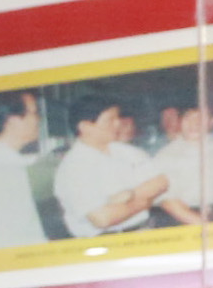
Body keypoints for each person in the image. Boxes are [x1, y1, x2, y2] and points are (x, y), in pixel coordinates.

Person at [50, 90, 167, 239]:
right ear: (85, 127)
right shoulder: (74, 167)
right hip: (107, 241)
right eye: (110, 120)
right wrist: (145, 201)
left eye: (117, 118)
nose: (118, 124)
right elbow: (103, 219)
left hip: (145, 231)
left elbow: (161, 182)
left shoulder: (126, 151)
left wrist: (130, 195)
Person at [0, 89, 49, 249]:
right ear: (12, 120)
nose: (39, 119)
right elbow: (17, 234)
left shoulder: (7, 160)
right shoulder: (0, 168)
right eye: (34, 113)